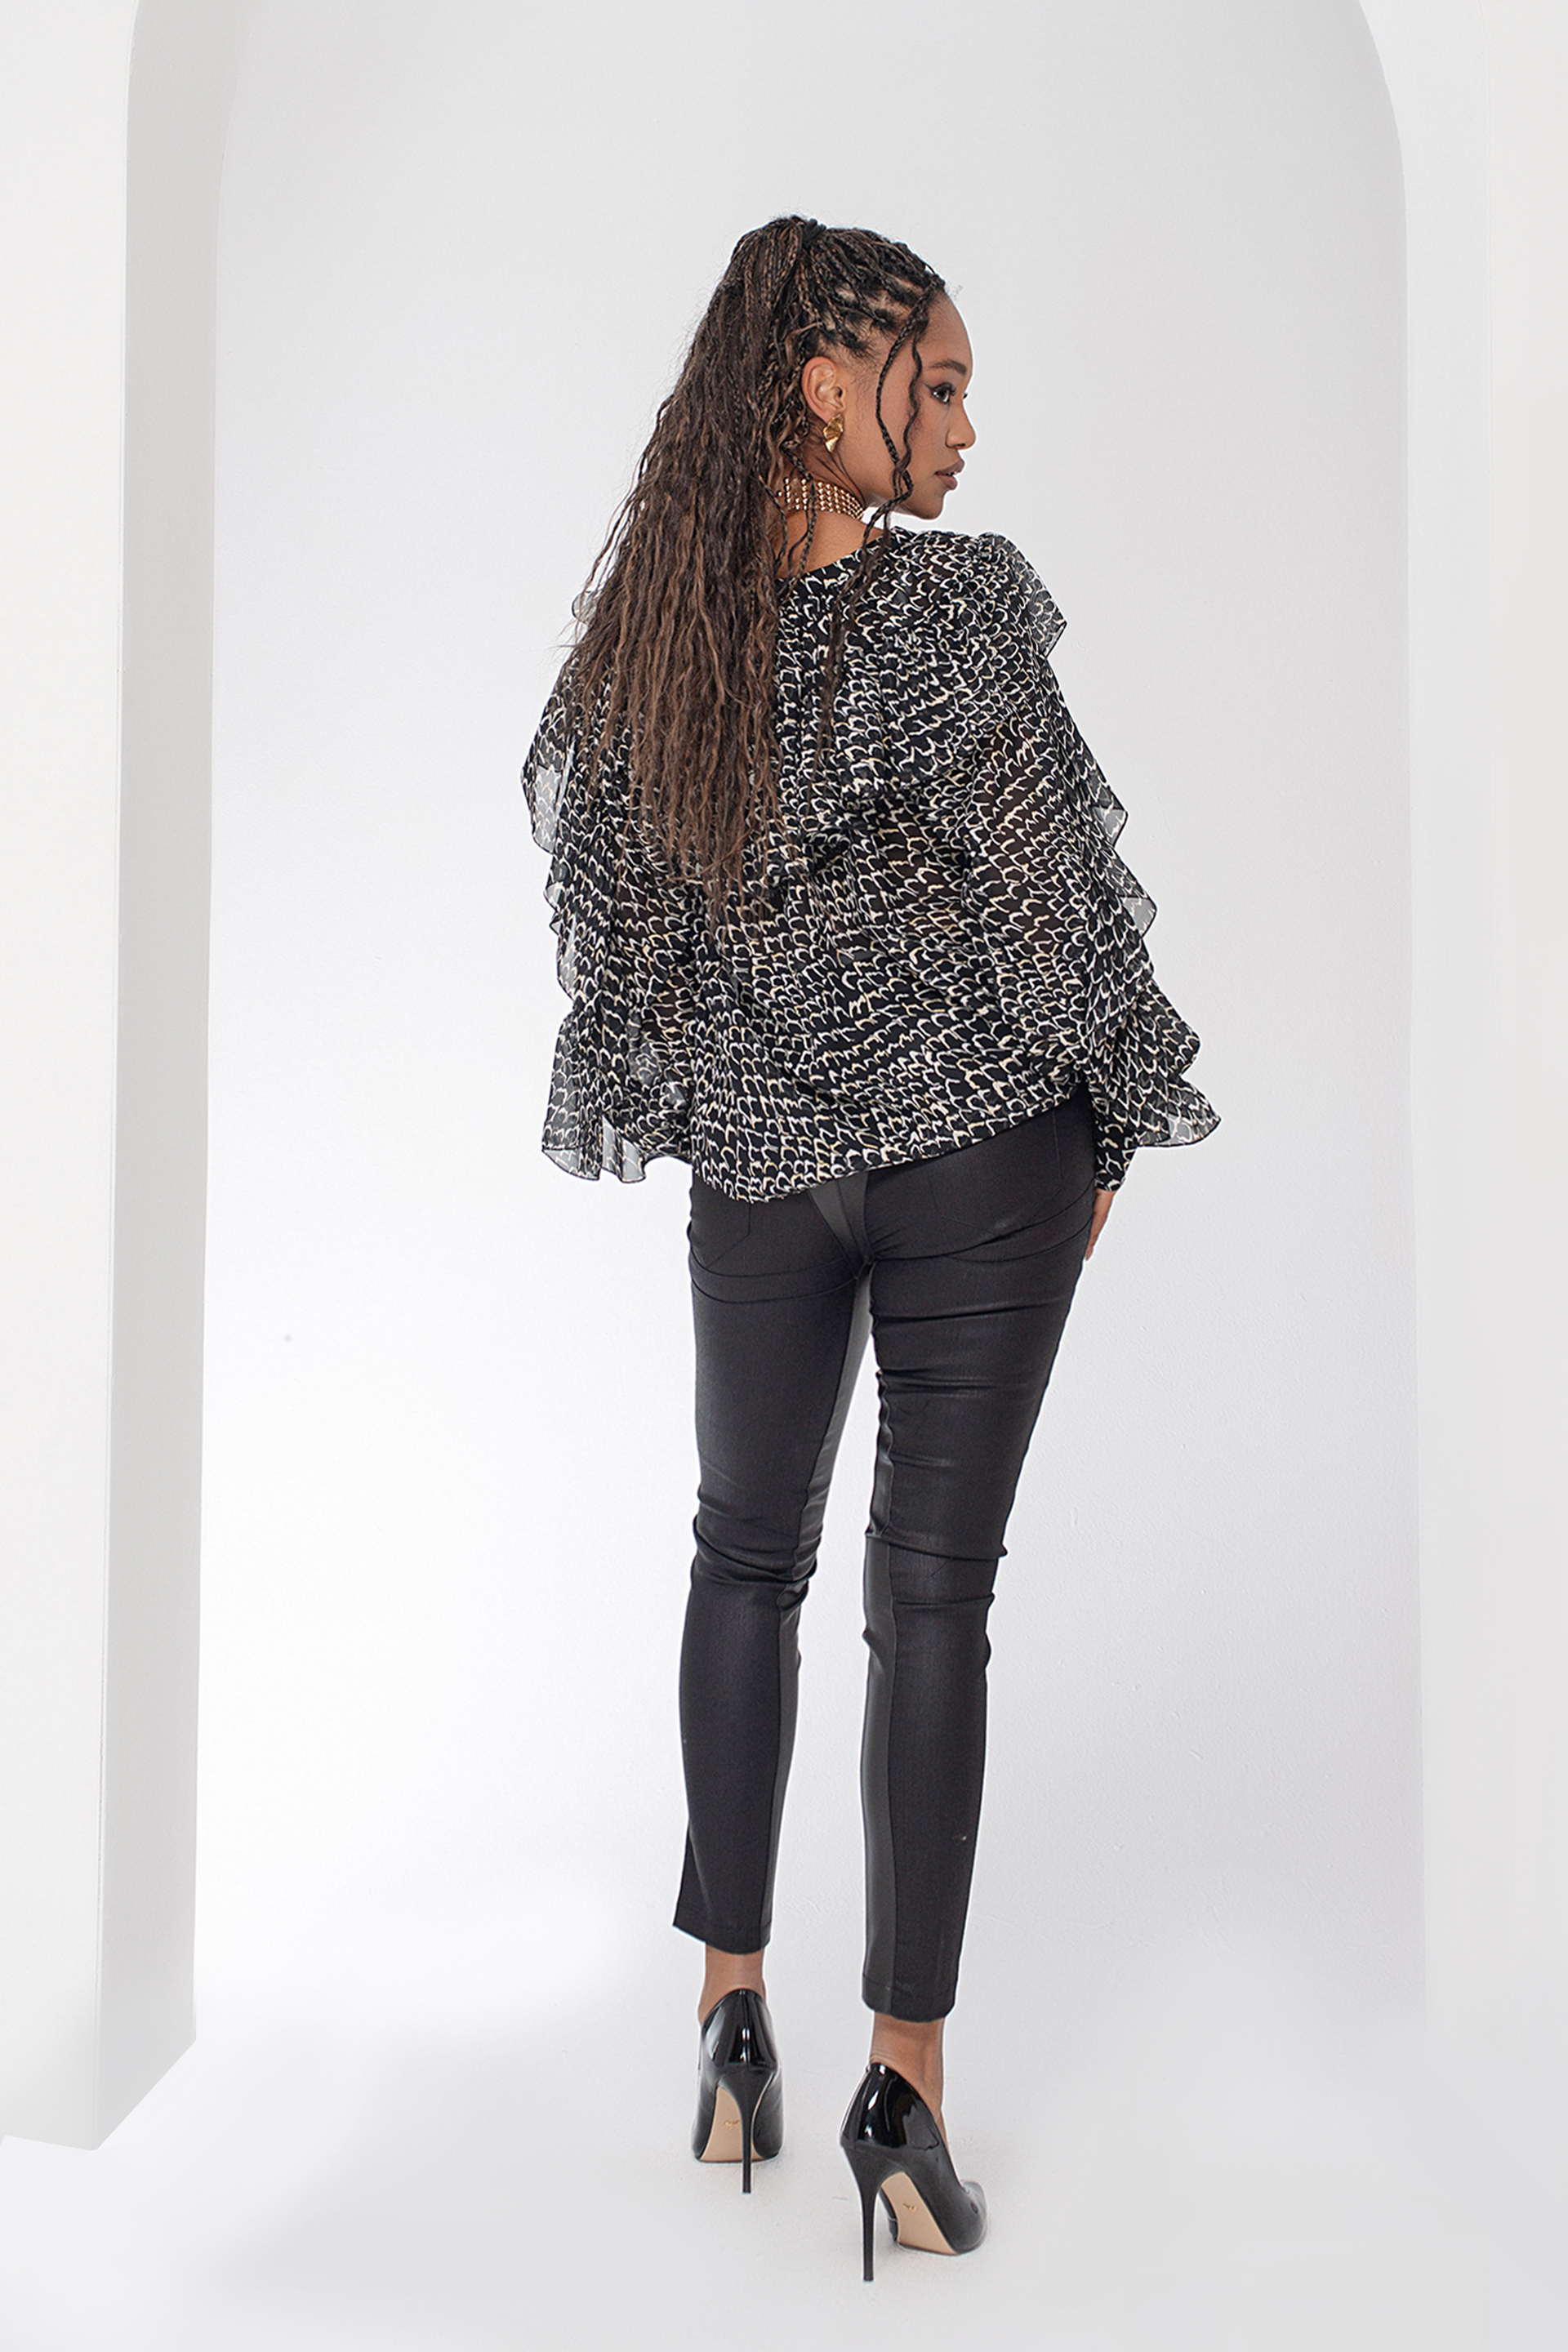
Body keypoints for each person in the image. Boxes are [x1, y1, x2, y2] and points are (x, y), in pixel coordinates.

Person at [522, 216, 1217, 2280]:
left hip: (762, 1168)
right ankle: (902, 2089)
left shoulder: (658, 650)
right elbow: (1055, 896)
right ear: (832, 390)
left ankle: (729, 2018)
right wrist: (1120, 1111)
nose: (972, 430)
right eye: (948, 385)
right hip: (983, 1160)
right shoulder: (953, 611)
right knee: (934, 1600)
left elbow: (612, 940)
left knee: (745, 1555)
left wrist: (734, 1092)